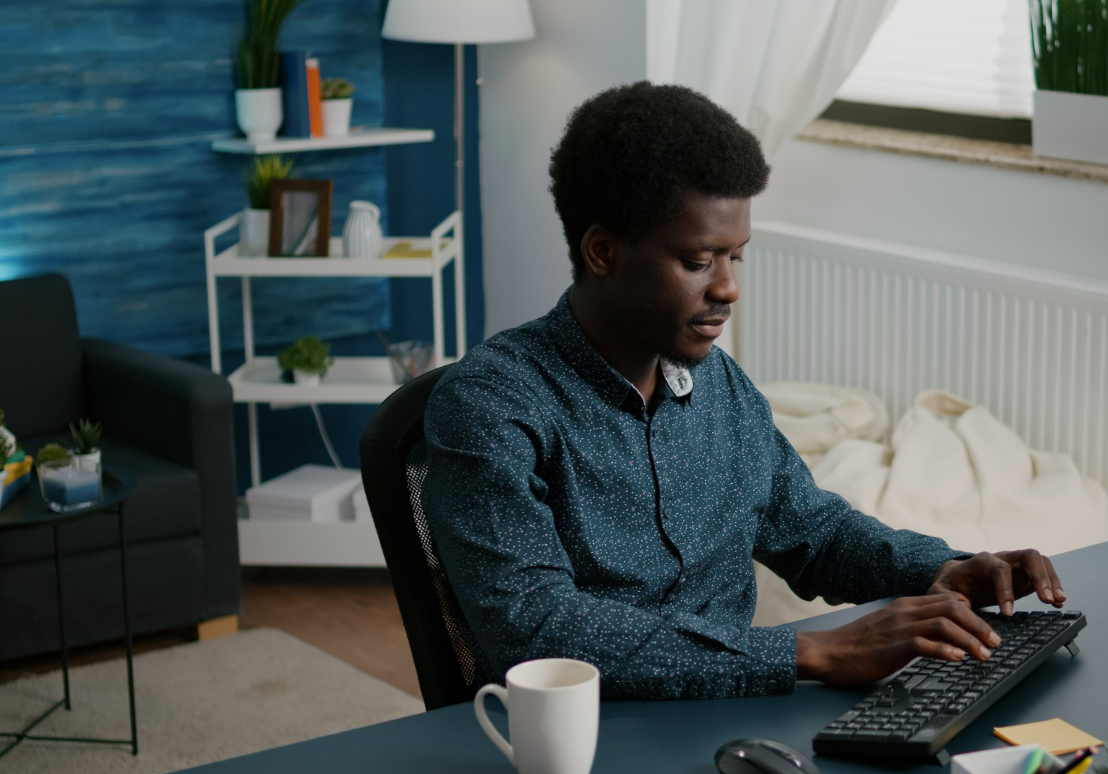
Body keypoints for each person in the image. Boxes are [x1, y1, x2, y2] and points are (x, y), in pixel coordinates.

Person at [423, 81, 1065, 700]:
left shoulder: (719, 385)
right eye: (700, 261)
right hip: (590, 741)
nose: (728, 287)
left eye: (737, 257)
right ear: (602, 252)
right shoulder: (491, 403)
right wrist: (815, 653)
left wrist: (938, 570)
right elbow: (536, 630)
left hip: (736, 716)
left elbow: (813, 533)